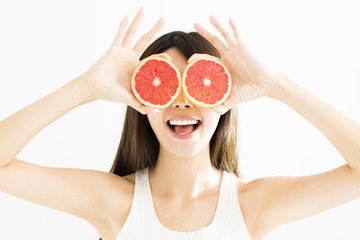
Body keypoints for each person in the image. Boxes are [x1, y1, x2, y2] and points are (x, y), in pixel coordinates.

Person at [0, 7, 359, 240]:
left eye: (198, 83)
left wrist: (276, 85)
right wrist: (86, 87)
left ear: (224, 100)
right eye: (165, 84)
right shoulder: (114, 201)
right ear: (141, 101)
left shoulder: (251, 205)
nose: (183, 99)